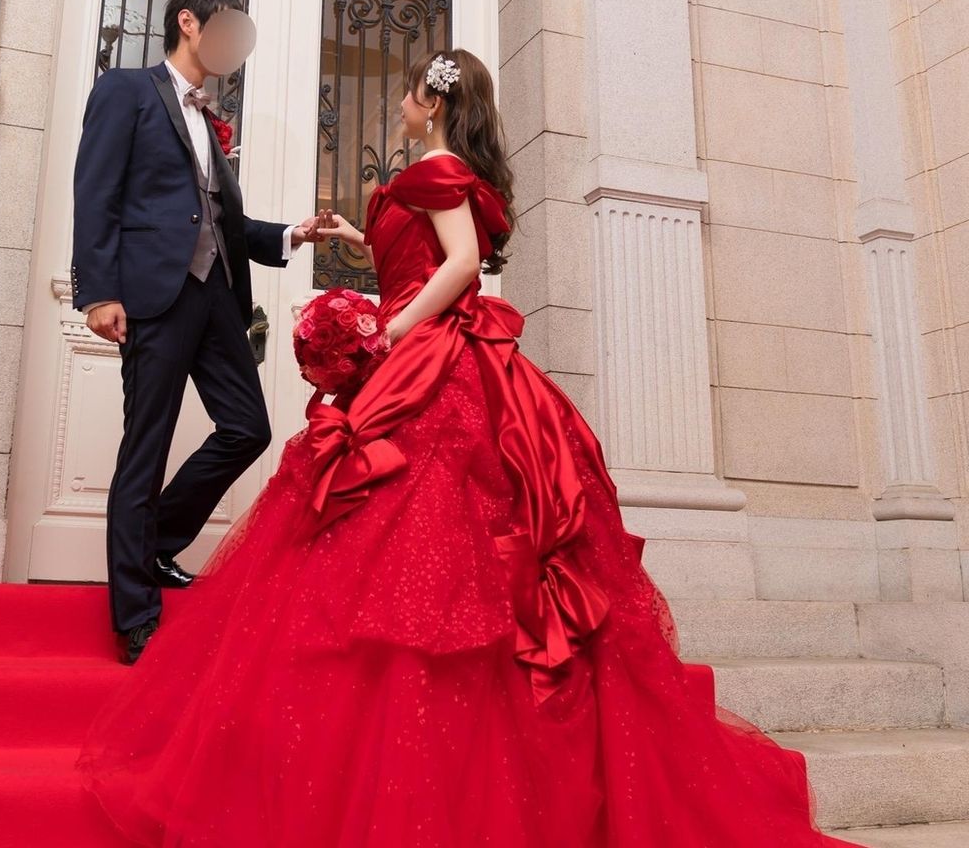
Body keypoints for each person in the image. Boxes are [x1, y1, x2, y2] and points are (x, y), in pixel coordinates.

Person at [76, 48, 858, 846]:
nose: (402, 105)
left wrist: (389, 329)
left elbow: (461, 265)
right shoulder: (427, 177)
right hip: (424, 347)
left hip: (431, 358)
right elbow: (421, 255)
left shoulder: (439, 170)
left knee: (422, 532)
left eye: (410, 94)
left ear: (435, 104)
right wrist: (359, 237)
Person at [71, 0, 321, 664]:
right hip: (154, 295)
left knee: (248, 427)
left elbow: (220, 219)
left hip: (217, 296)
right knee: (145, 449)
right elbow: (96, 192)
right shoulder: (127, 90)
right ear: (189, 22)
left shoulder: (209, 120)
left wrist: (291, 235)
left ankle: (154, 544)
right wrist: (98, 293)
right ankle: (134, 613)